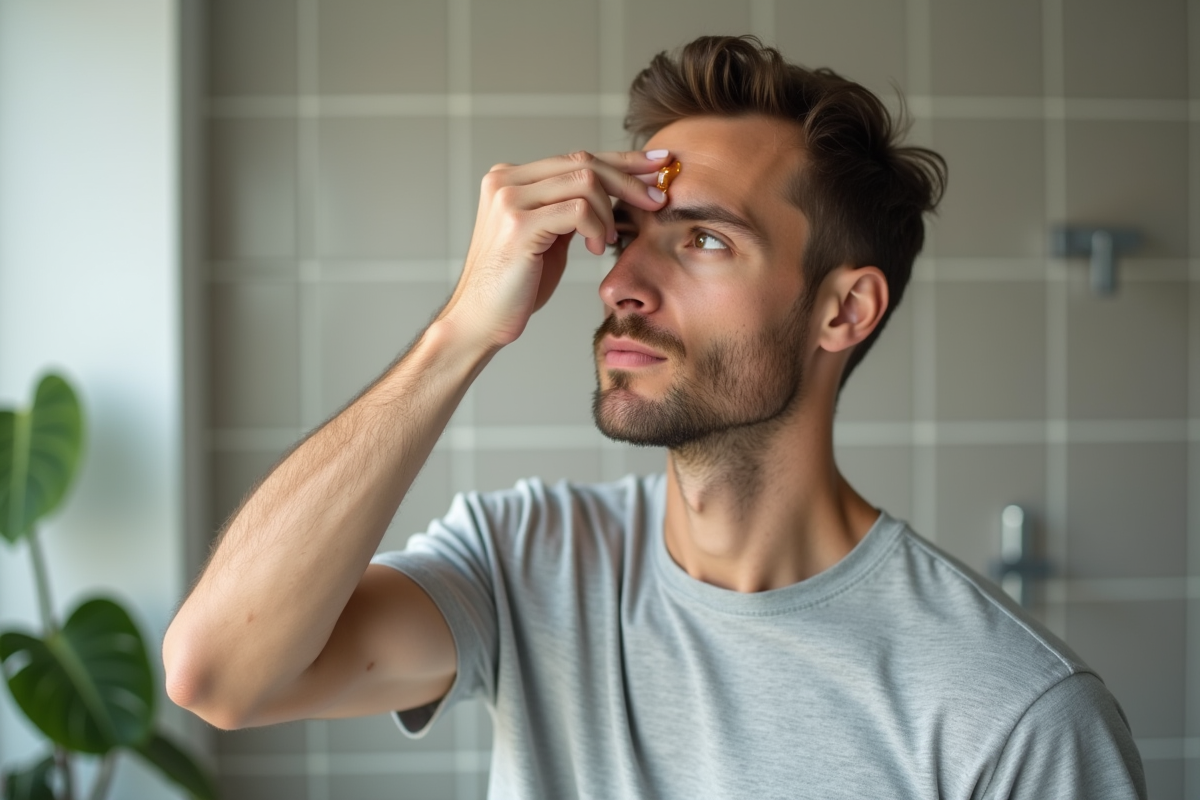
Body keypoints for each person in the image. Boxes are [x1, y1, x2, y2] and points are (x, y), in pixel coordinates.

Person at [164, 36, 1146, 798]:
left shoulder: (1015, 711)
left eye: (705, 240)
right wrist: (461, 330)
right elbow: (217, 671)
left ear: (843, 310)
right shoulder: (528, 560)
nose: (623, 279)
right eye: (626, 234)